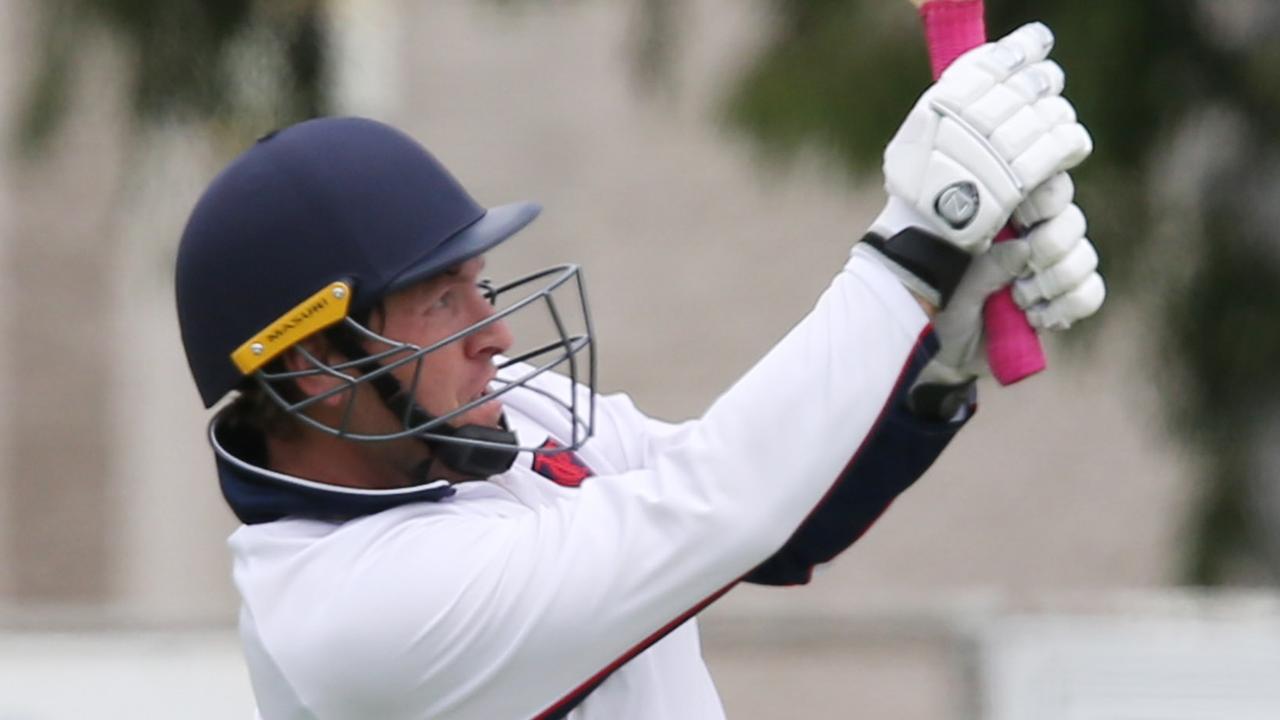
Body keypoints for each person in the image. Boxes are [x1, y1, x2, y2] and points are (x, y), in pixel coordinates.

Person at [175, 22, 1103, 720]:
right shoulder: (351, 621)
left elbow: (775, 527)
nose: (493, 333)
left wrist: (933, 355)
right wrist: (916, 245)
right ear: (313, 366)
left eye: (478, 283)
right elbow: (718, 504)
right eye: (440, 299)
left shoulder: (469, 421)